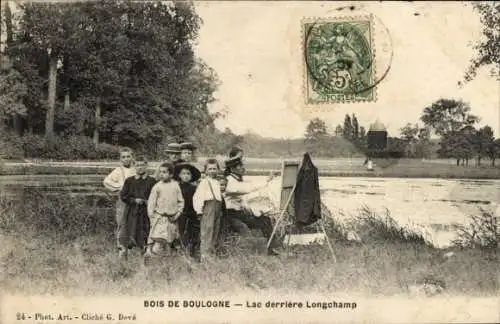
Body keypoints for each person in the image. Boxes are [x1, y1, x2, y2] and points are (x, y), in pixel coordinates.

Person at [223, 155, 280, 256]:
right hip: (230, 215)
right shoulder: (229, 180)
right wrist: (267, 180)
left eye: (242, 165)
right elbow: (246, 189)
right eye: (239, 166)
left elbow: (243, 197)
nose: (242, 168)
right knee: (245, 231)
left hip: (240, 213)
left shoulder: (237, 179)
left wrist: (251, 209)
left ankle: (271, 249)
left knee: (265, 220)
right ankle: (252, 253)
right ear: (232, 169)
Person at [119, 156, 157, 260]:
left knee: (145, 231)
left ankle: (145, 253)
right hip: (132, 211)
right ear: (134, 167)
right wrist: (134, 200)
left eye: (142, 165)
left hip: (146, 211)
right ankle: (129, 254)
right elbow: (123, 196)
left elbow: (155, 196)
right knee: (130, 230)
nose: (140, 167)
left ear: (146, 166)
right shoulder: (129, 181)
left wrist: (147, 202)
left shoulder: (152, 181)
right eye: (137, 165)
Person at [145, 162, 184, 262]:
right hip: (160, 217)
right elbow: (151, 203)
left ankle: (167, 260)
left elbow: (180, 201)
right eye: (160, 172)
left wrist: (177, 214)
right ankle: (152, 256)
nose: (162, 174)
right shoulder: (157, 187)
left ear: (171, 174)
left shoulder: (175, 186)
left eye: (165, 172)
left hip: (172, 218)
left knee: (169, 240)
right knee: (158, 239)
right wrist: (152, 217)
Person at [103, 147, 137, 257]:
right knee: (122, 223)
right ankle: (122, 248)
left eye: (128, 156)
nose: (126, 159)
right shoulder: (118, 171)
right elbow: (106, 182)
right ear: (120, 159)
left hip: (135, 201)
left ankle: (133, 248)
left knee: (134, 223)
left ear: (132, 157)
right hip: (123, 201)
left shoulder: (136, 169)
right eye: (123, 157)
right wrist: (119, 187)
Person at [193, 158, 223, 262]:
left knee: (215, 231)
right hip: (208, 209)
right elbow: (198, 197)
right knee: (207, 232)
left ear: (218, 170)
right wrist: (199, 211)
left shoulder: (217, 182)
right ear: (205, 171)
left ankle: (212, 254)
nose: (212, 171)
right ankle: (204, 256)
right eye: (210, 169)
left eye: (215, 169)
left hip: (217, 209)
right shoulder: (204, 182)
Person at [173, 162, 202, 257]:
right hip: (180, 214)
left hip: (191, 214)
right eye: (183, 174)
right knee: (178, 233)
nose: (186, 176)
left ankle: (191, 252)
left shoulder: (195, 188)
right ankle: (178, 252)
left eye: (188, 174)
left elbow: (198, 201)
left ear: (191, 176)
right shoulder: (176, 188)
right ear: (179, 175)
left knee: (192, 233)